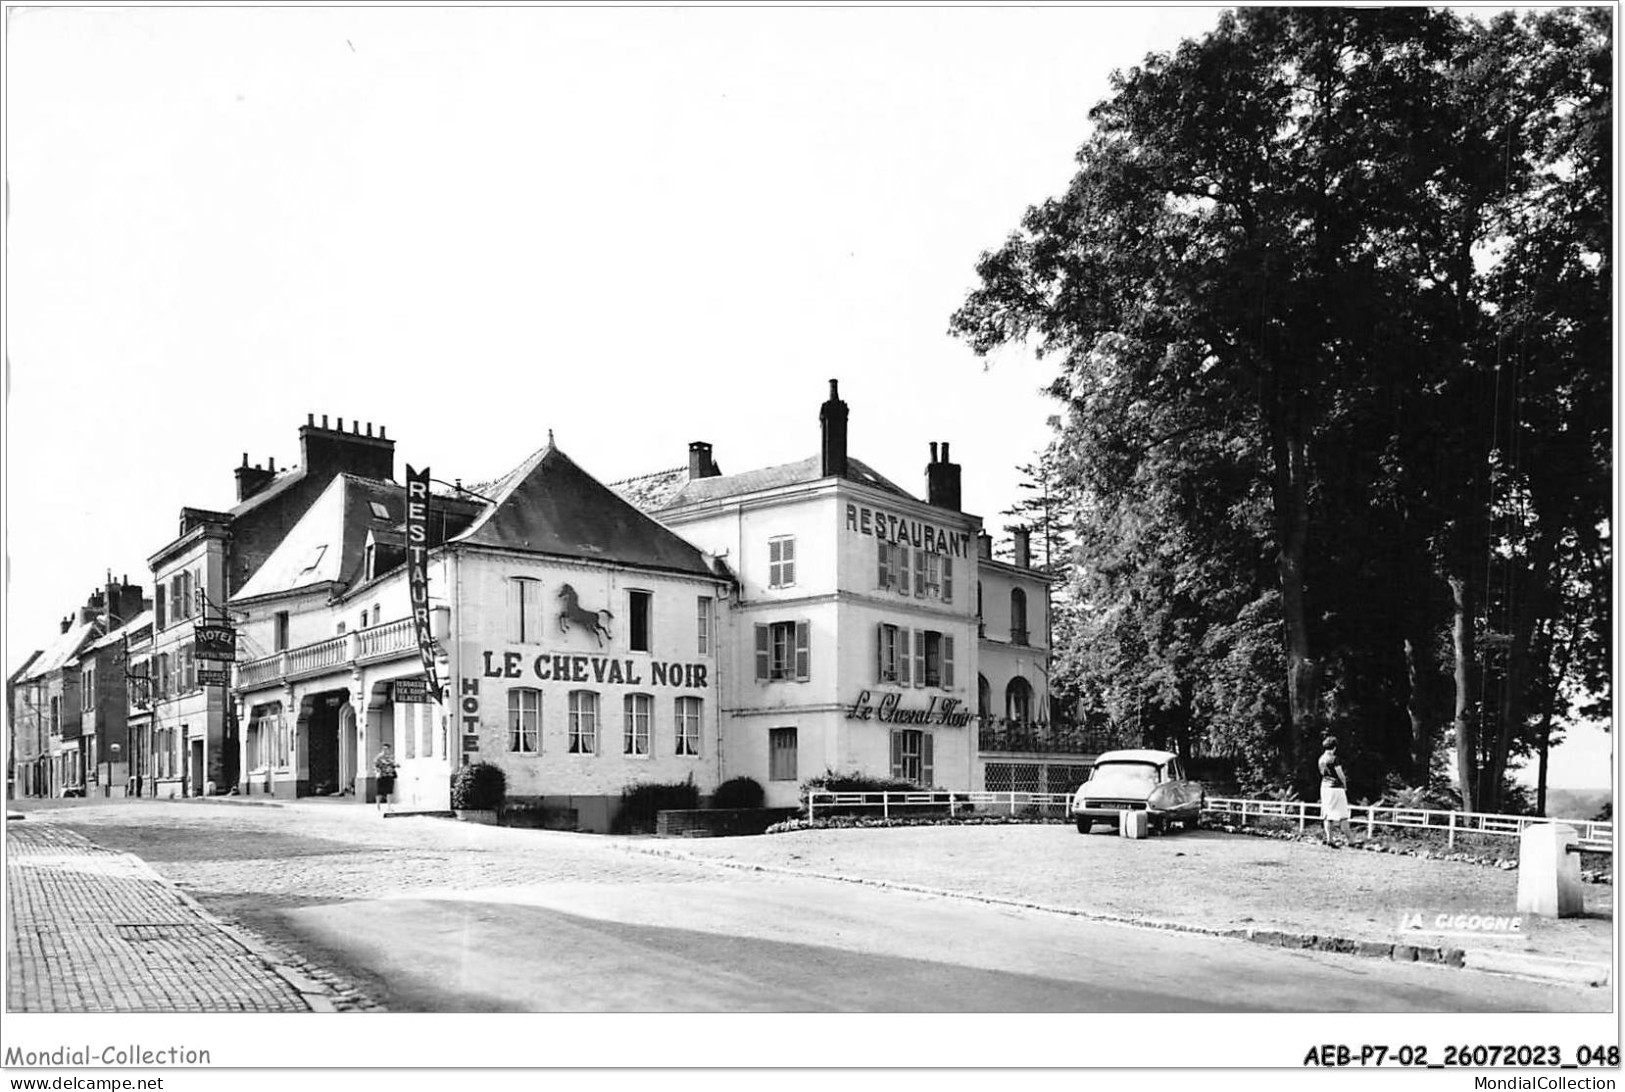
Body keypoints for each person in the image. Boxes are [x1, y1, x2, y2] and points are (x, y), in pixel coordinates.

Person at [1319, 735, 1353, 847]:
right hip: (1336, 788)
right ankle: (1351, 840)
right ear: (1334, 747)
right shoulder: (1334, 759)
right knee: (1343, 814)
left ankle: (1330, 839)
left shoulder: (1321, 759)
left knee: (1327, 814)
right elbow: (1341, 775)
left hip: (1324, 787)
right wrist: (1345, 785)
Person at [374, 745, 398, 812]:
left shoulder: (391, 757)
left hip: (389, 776)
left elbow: (393, 764)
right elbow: (375, 766)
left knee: (389, 791)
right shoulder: (379, 757)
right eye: (384, 749)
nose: (385, 750)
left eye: (387, 749)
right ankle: (378, 806)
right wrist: (377, 772)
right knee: (379, 792)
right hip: (381, 776)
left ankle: (389, 806)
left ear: (389, 749)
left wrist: (396, 765)